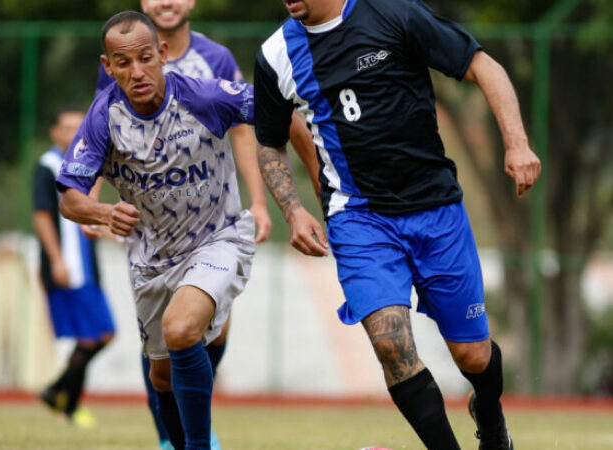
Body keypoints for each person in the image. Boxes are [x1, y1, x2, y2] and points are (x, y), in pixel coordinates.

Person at [253, 0, 541, 449]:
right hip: (358, 217)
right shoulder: (276, 55)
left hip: (436, 209)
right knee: (391, 344)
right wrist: (293, 209)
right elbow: (268, 142)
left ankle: (489, 409)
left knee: (473, 355)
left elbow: (484, 66)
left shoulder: (394, 14)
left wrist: (517, 144)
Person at [56, 11, 289, 449]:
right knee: (160, 372)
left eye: (145, 58)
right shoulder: (105, 115)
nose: (137, 71)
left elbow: (276, 113)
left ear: (162, 54)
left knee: (182, 329)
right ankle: (176, 441)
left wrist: (289, 206)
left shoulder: (204, 90)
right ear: (108, 67)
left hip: (218, 236)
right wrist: (102, 213)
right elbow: (70, 196)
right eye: (124, 63)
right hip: (153, 254)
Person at [33, 107, 116, 428]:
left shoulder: (86, 165)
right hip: (68, 267)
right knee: (99, 334)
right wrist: (56, 260)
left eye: (76, 127)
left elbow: (92, 215)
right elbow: (41, 215)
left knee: (96, 335)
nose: (72, 133)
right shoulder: (47, 167)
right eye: (66, 127)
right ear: (55, 132)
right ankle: (63, 398)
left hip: (88, 266)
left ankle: (61, 397)